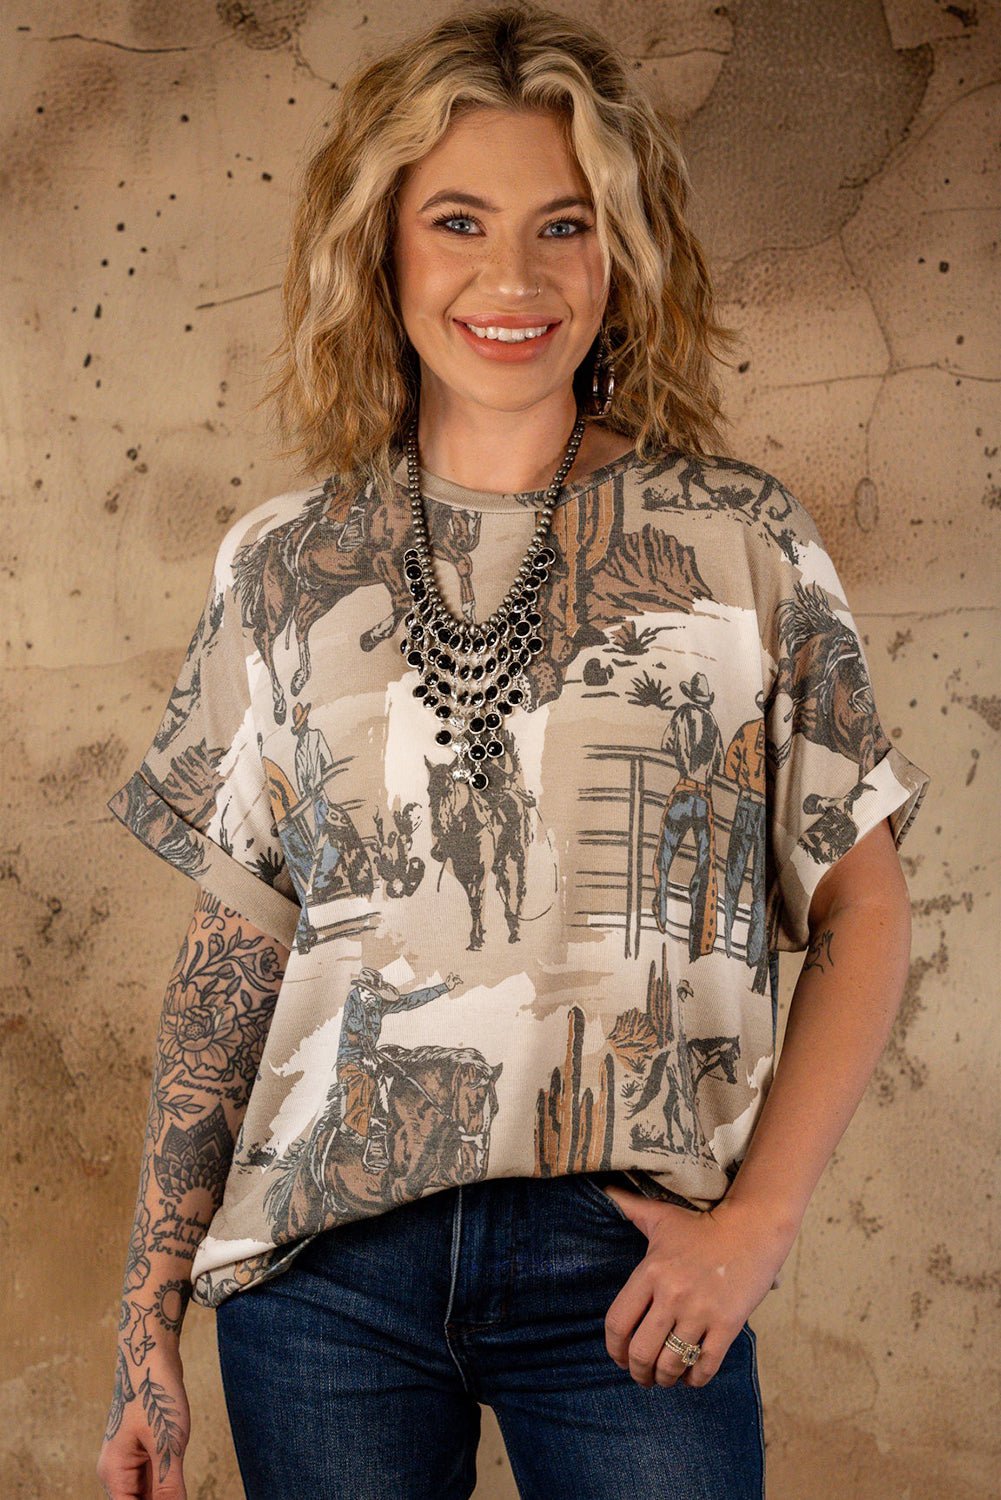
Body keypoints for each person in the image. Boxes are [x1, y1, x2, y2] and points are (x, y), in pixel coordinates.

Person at [96, 5, 929, 1498]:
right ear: (381, 249)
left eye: (564, 224)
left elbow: (864, 908)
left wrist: (758, 1226)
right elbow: (235, 952)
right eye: (458, 221)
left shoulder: (740, 543)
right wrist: (146, 1318)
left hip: (625, 1265)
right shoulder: (282, 562)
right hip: (324, 1275)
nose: (513, 278)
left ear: (621, 254)